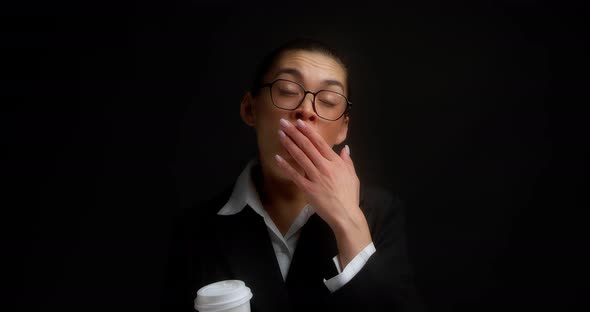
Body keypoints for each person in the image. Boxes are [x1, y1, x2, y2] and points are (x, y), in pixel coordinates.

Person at [161, 38, 424, 312]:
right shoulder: (195, 229)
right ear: (250, 109)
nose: (306, 110)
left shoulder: (380, 214)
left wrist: (348, 221)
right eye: (287, 90)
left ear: (343, 128)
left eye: (327, 100)